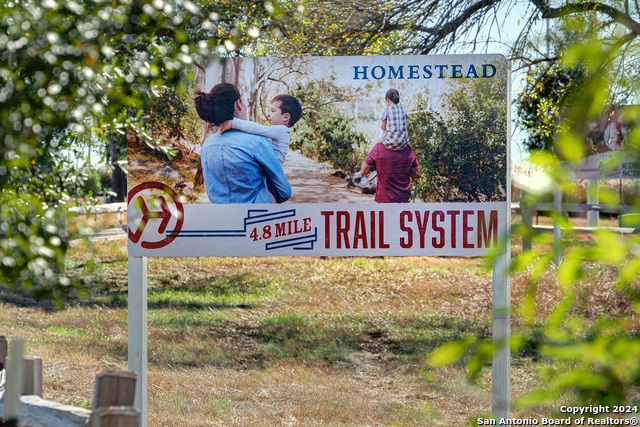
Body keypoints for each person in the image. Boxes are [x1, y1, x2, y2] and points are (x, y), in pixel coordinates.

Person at [194, 83, 291, 204]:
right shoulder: (257, 143)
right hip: (253, 218)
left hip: (221, 217)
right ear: (239, 104)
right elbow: (284, 191)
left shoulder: (207, 146)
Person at [360, 88, 421, 203]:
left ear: (387, 99)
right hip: (403, 201)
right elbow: (418, 174)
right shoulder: (408, 150)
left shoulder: (378, 148)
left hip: (383, 201)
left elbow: (363, 171)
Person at [219, 94, 302, 164]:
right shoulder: (280, 132)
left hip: (271, 172)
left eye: (273, 111)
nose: (268, 114)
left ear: (286, 117)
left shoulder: (282, 130)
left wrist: (234, 123)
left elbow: (257, 128)